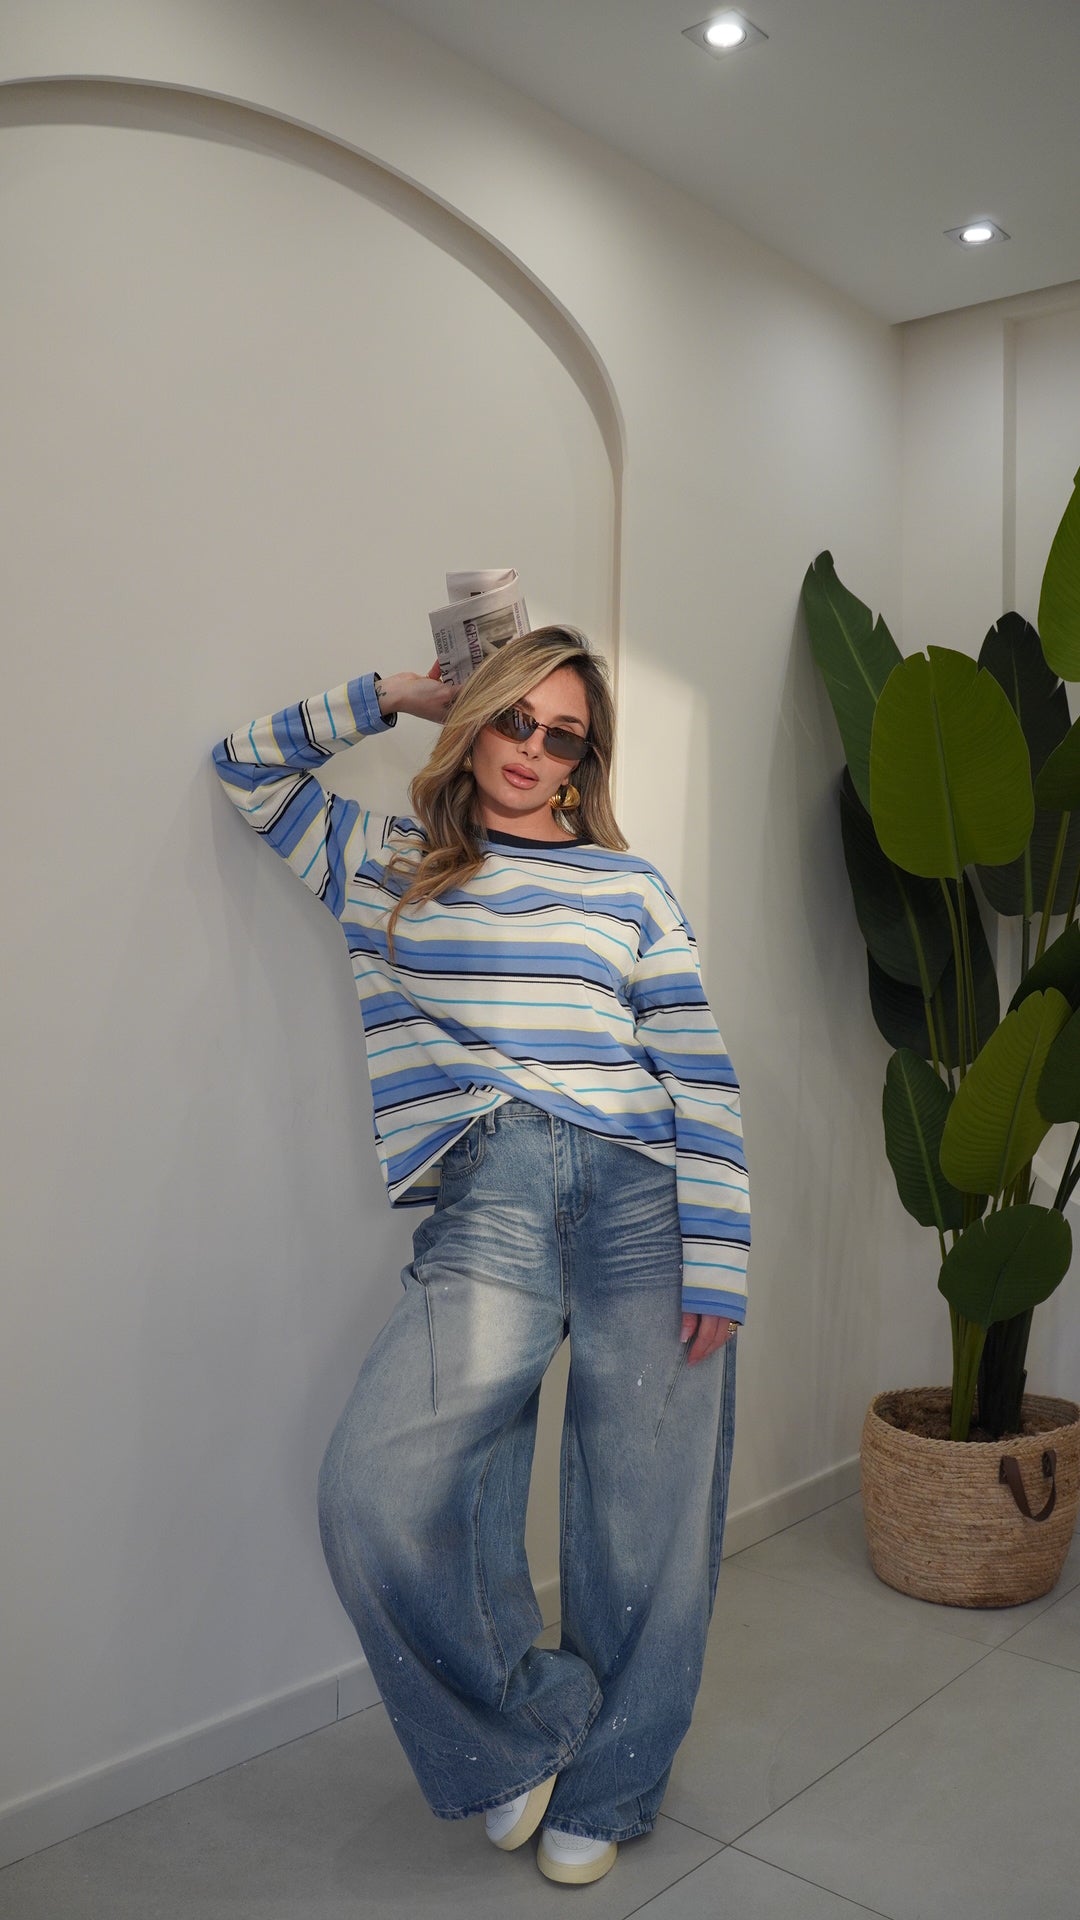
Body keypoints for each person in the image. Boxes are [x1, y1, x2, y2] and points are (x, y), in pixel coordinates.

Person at [211, 626, 749, 1886]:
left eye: (564, 737)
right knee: (373, 1490)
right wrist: (395, 693)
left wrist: (720, 1253)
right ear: (480, 717)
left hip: (644, 1201)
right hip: (492, 1197)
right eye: (516, 719)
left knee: (646, 1523)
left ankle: (612, 1787)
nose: (533, 750)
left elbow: (701, 1075)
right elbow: (244, 769)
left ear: (583, 762)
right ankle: (524, 1735)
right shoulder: (387, 860)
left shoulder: (630, 887)